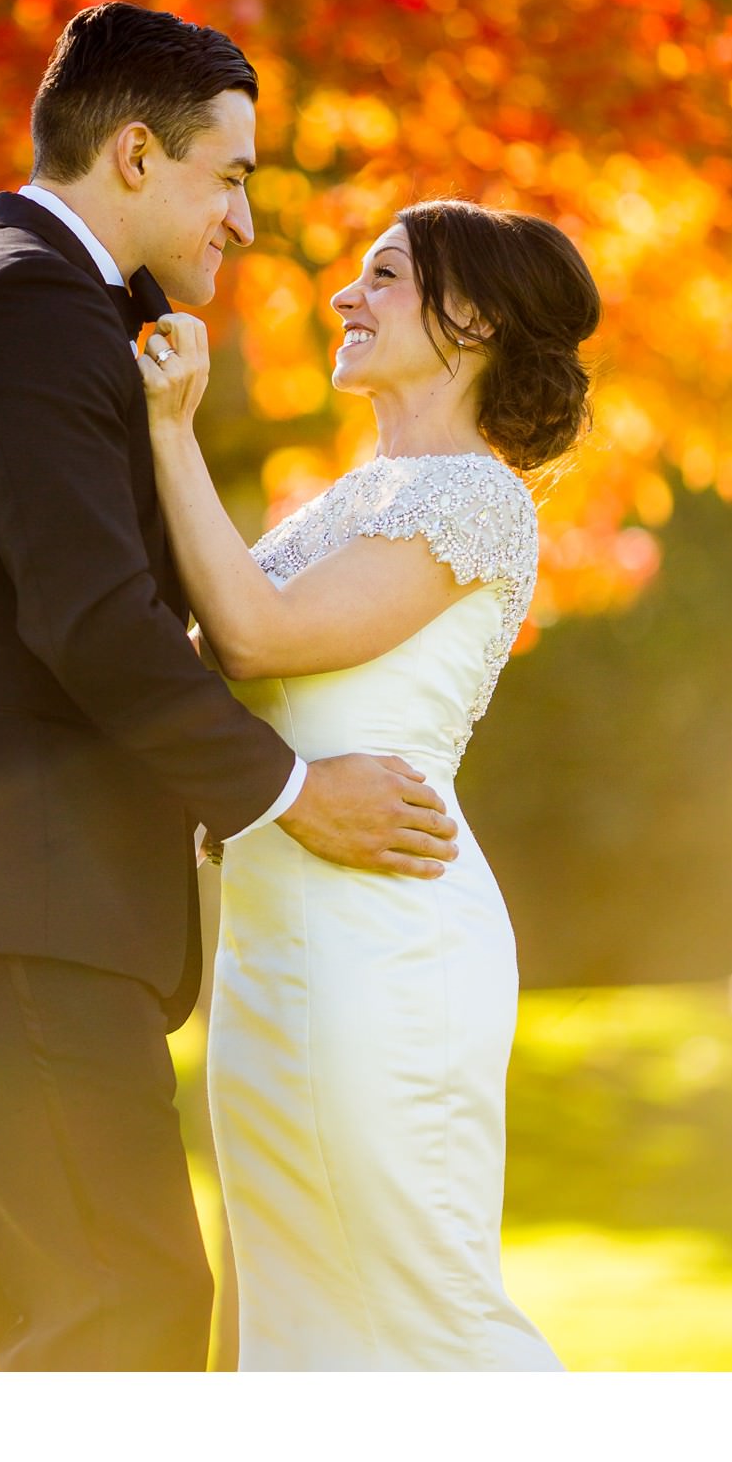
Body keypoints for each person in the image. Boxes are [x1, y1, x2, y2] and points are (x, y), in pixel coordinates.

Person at [0, 2, 460, 1373]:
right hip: (13, 900)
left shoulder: (6, 294)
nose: (245, 222)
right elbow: (91, 620)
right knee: (130, 1308)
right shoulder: (28, 302)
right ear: (139, 157)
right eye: (232, 176)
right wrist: (287, 793)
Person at [138, 197, 601, 1370]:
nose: (346, 296)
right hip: (270, 939)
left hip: (388, 946)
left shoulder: (474, 496)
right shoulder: (345, 501)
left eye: (383, 275)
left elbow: (252, 636)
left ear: (476, 317)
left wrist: (171, 426)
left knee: (422, 1301)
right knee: (285, 1313)